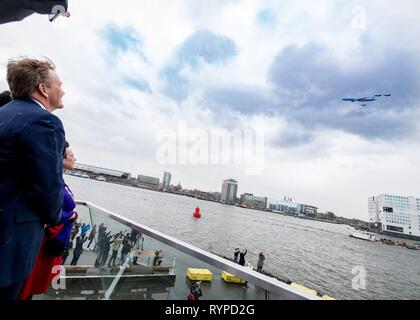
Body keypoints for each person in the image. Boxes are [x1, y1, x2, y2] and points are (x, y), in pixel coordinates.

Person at [0, 58, 66, 300]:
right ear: (43, 89)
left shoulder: (5, 113)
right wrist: (54, 219)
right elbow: (47, 188)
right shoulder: (44, 122)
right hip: (9, 242)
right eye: (59, 84)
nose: (63, 90)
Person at [18, 143, 78, 300]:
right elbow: (47, 212)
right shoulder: (53, 182)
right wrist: (70, 215)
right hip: (46, 241)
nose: (75, 158)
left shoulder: (59, 181)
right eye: (72, 156)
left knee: (32, 283)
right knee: (28, 283)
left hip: (53, 242)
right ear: (61, 159)